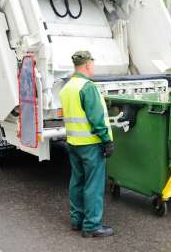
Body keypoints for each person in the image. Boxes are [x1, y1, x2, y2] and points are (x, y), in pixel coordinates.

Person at [59, 50, 115, 238]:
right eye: (93, 64)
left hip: (74, 143)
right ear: (88, 65)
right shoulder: (87, 87)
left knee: (77, 181)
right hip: (91, 144)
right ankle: (91, 226)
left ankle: (77, 220)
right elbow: (96, 118)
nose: (93, 67)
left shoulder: (67, 87)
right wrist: (107, 141)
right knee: (94, 185)